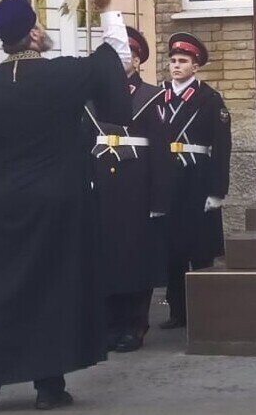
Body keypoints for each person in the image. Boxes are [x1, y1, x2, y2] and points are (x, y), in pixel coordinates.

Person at [0, 0, 131, 411]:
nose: (44, 29)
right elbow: (117, 63)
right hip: (61, 203)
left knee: (2, 293)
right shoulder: (64, 74)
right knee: (55, 291)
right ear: (32, 35)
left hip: (8, 206)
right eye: (39, 24)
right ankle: (49, 388)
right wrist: (107, 10)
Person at [84, 27, 172, 353]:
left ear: (137, 60)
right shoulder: (92, 98)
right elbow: (83, 144)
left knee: (136, 257)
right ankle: (109, 324)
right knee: (105, 257)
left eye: (124, 57)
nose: (119, 63)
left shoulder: (150, 97)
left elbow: (162, 152)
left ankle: (134, 325)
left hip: (136, 187)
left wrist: (159, 198)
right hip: (101, 187)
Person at [160, 33, 231, 330]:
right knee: (171, 248)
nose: (176, 66)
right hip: (167, 177)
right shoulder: (158, 96)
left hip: (197, 178)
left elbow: (221, 145)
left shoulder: (209, 99)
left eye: (183, 61)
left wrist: (217, 190)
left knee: (199, 248)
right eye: (173, 61)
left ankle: (205, 313)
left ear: (195, 66)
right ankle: (177, 312)